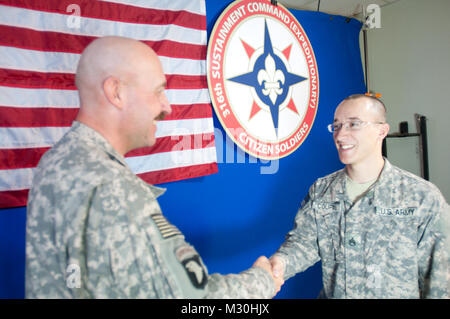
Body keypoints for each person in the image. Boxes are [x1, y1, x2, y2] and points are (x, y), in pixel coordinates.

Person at [25, 36, 283, 298]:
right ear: (116, 92)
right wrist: (262, 281)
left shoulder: (56, 162)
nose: (167, 107)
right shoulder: (115, 188)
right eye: (158, 91)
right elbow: (194, 301)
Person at [270, 94, 449, 298]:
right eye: (336, 126)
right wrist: (279, 264)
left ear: (381, 131)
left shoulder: (421, 197)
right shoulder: (322, 190)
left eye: (354, 124)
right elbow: (303, 244)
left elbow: (440, 281)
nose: (340, 135)